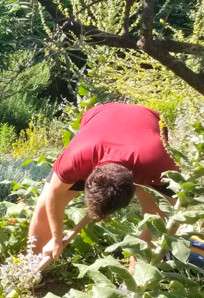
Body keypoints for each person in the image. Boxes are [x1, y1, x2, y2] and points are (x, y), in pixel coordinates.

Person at [29, 103, 178, 262]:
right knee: (44, 205)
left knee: (163, 220)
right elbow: (54, 192)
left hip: (149, 122)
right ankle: (31, 266)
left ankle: (136, 280)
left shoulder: (160, 164)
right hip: (101, 116)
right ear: (88, 177)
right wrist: (56, 238)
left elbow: (173, 213)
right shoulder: (77, 159)